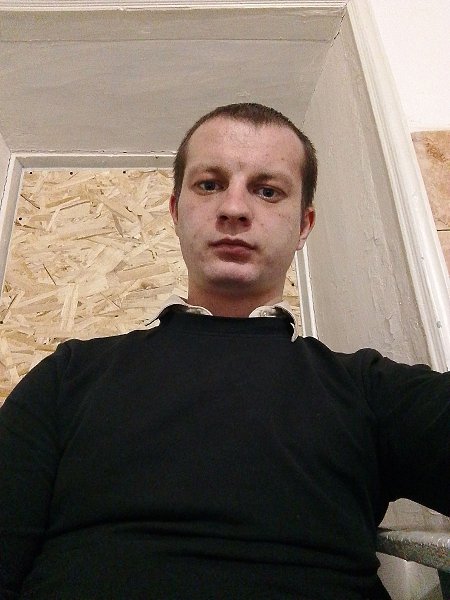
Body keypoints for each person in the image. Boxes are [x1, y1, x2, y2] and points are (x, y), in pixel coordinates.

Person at [0, 103, 448, 600]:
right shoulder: (70, 375)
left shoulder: (367, 389)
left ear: (304, 225)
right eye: (210, 184)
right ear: (176, 212)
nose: (234, 209)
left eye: (267, 190)